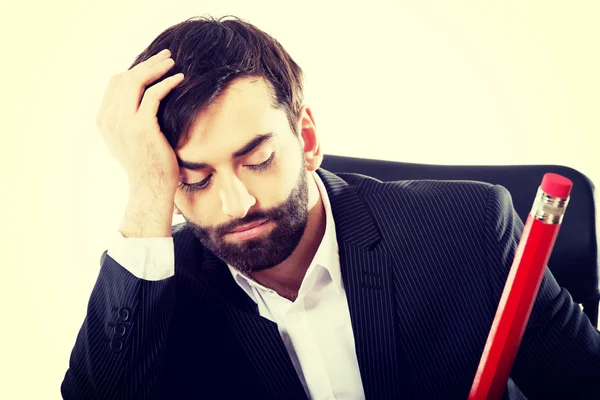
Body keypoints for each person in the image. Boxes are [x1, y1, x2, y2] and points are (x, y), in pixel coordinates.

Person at [61, 15, 600, 400]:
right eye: (193, 179)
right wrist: (146, 192)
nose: (235, 204)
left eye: (259, 159)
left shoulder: (471, 230)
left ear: (308, 137)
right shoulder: (154, 292)